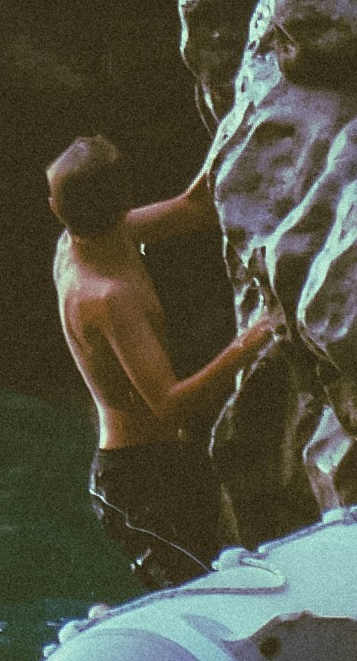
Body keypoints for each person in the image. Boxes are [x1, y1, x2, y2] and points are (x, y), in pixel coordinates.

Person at [49, 133, 275, 589]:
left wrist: (228, 150)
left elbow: (194, 209)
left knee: (221, 576)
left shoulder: (86, 240)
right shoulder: (109, 296)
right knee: (201, 592)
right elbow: (169, 404)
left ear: (58, 207)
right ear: (126, 199)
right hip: (136, 482)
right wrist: (251, 342)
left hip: (162, 463)